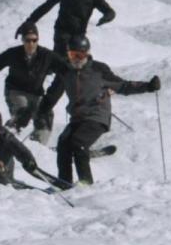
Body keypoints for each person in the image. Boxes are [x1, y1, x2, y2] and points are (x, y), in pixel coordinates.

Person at [34, 35, 160, 187]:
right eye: (72, 55)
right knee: (63, 144)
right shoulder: (65, 72)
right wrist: (41, 110)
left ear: (87, 54)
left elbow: (123, 85)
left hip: (97, 116)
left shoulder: (99, 70)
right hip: (78, 118)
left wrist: (148, 86)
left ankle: (86, 183)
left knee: (78, 143)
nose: (76, 59)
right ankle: (64, 182)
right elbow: (52, 94)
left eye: (80, 55)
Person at [0, 22, 63, 144]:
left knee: (45, 116)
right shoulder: (13, 54)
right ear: (22, 40)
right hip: (15, 91)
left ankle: (38, 147)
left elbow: (65, 69)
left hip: (36, 94)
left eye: (34, 40)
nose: (31, 44)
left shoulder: (46, 55)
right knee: (22, 112)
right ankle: (4, 140)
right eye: (27, 40)